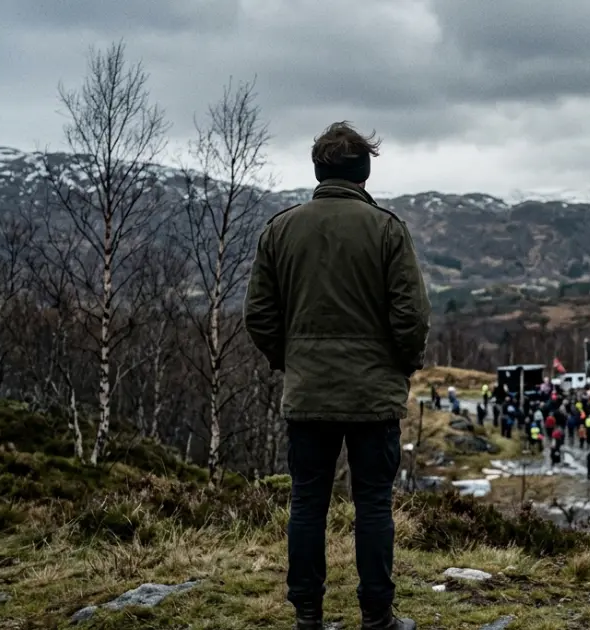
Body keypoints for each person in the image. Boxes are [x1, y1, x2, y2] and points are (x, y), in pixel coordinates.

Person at [245, 122, 426, 630]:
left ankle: (307, 616)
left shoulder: (280, 229)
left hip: (308, 394)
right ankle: (377, 618)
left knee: (307, 500)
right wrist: (401, 364)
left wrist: (291, 359)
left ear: (319, 169)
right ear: (364, 171)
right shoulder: (387, 230)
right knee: (372, 504)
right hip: (373, 395)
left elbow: (257, 314)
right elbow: (411, 316)